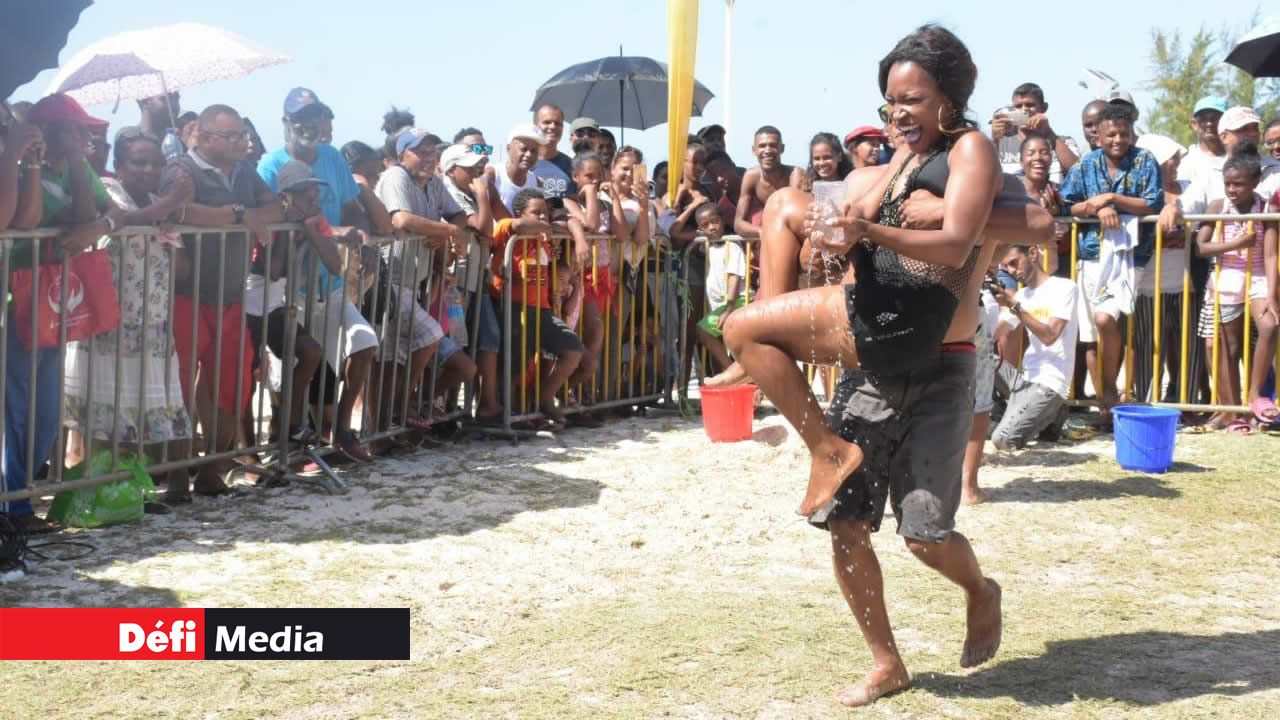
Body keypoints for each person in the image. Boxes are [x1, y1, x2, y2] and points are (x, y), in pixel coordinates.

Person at [724, 26, 1054, 705]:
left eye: (911, 100)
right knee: (844, 523)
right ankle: (886, 661)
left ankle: (980, 589)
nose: (898, 114)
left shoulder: (969, 153)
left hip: (942, 363)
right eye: (889, 103)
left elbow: (1031, 225)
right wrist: (838, 227)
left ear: (949, 96)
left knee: (925, 537)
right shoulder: (897, 164)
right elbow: (836, 207)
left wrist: (944, 217)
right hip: (875, 355)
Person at [63, 129, 195, 505]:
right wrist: (170, 203)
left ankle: (135, 489)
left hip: (153, 323)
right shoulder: (109, 190)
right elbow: (124, 220)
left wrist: (171, 231)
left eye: (155, 163)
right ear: (119, 166)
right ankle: (100, 489)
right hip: (110, 322)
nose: (148, 169)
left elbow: (182, 270)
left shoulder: (158, 203)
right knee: (107, 412)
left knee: (149, 409)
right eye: (139, 162)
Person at [3, 94, 114, 533]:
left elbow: (97, 212)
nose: (85, 136)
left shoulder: (77, 168)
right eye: (74, 129)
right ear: (47, 131)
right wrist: (32, 162)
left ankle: (21, 496)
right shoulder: (18, 166)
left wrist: (98, 224)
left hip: (51, 299)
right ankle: (14, 508)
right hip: (16, 300)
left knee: (46, 410)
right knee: (14, 409)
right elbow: (26, 221)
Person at [161, 104, 284, 494]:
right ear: (205, 137)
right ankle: (177, 477)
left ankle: (212, 470)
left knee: (233, 385)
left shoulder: (245, 170)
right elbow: (179, 211)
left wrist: (238, 213)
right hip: (186, 296)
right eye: (232, 136)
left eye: (243, 135)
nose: (242, 142)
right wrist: (239, 214)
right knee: (180, 390)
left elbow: (274, 207)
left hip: (231, 296)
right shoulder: (180, 169)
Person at [257, 88, 382, 460]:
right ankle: (287, 443)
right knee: (296, 365)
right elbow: (271, 218)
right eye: (301, 117)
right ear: (286, 122)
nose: (309, 124)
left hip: (331, 284)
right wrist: (324, 230)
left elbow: (350, 206)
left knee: (364, 342)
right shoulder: (269, 165)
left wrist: (364, 238)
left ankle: (342, 432)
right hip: (287, 287)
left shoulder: (332, 157)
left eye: (316, 115)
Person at [1060, 103, 1163, 421]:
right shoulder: (1086, 164)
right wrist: (1096, 207)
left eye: (1124, 133)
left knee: (1107, 319)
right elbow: (1068, 204)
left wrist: (1113, 199)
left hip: (1133, 255)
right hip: (1092, 253)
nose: (1118, 139)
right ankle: (1106, 402)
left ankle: (1110, 392)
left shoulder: (1145, 159)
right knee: (1094, 331)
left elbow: (1153, 202)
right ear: (1098, 136)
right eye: (1111, 134)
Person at [373, 128, 459, 431]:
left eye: (432, 152)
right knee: (423, 339)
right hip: (388, 280)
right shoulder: (395, 176)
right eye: (421, 152)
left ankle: (395, 421)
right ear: (402, 155)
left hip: (416, 282)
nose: (429, 158)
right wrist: (447, 231)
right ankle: (398, 411)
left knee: (396, 357)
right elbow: (402, 219)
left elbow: (459, 215)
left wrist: (445, 230)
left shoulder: (434, 182)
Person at [1194, 146, 1278, 433]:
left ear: (1255, 181)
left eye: (1238, 184)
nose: (1231, 190)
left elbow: (1270, 254)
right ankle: (1231, 411)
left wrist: (1273, 295)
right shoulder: (1218, 207)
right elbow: (1201, 247)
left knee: (1269, 327)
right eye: (1228, 183)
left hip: (1258, 277)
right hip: (1227, 279)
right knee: (1227, 347)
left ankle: (1254, 395)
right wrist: (1236, 244)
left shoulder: (1266, 209)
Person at [489, 188, 585, 423]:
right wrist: (547, 226)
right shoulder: (506, 226)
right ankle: (510, 415)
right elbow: (519, 226)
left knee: (572, 350)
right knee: (514, 366)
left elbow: (572, 221)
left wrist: (580, 239)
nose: (543, 216)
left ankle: (544, 398)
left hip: (541, 309)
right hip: (512, 307)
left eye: (545, 212)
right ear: (519, 212)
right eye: (536, 212)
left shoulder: (544, 238)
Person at [990, 244, 1080, 449]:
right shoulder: (1021, 296)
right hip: (1024, 379)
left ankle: (1048, 413)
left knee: (1003, 441)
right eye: (1007, 267)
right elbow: (997, 333)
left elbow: (1050, 336)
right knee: (981, 358)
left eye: (1014, 263)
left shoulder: (1065, 287)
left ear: (1032, 253)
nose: (1012, 271)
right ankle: (1044, 415)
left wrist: (1014, 306)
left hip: (1051, 381)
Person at [1132, 134, 1199, 405]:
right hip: (1149, 285)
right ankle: (1146, 403)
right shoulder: (1140, 194)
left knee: (1189, 348)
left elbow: (1200, 212)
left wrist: (1174, 207)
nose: (1176, 162)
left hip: (1186, 282)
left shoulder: (1189, 188)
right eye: (1170, 158)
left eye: (1176, 157)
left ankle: (1187, 403)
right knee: (1148, 348)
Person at [990, 82, 1079, 183]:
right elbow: (986, 176)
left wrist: (1049, 133)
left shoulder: (1064, 142)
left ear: (1044, 108)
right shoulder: (1002, 144)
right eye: (1018, 106)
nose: (1024, 110)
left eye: (1030, 105)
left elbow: (1080, 173)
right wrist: (994, 140)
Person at [693, 204, 746, 373]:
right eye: (705, 225)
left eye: (715, 221)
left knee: (703, 331)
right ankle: (734, 371)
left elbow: (734, 277)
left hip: (735, 302)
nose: (712, 227)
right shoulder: (708, 246)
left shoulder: (732, 246)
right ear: (701, 230)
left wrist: (729, 307)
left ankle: (732, 371)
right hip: (720, 306)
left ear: (723, 221)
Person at [734, 126, 803, 238]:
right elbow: (738, 223)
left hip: (795, 236)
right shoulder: (751, 176)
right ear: (754, 150)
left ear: (782, 148)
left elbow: (797, 217)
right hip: (770, 235)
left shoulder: (795, 174)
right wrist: (761, 232)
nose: (767, 151)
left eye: (773, 145)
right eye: (762, 146)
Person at [530, 104, 576, 206]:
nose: (553, 126)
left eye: (558, 123)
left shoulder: (572, 165)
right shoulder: (525, 163)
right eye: (547, 122)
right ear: (535, 126)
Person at [1178, 96, 1228, 186]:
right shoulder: (1186, 163)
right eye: (1203, 119)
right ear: (1194, 124)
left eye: (1215, 119)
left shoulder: (1239, 158)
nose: (1209, 124)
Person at [496, 124, 546, 211]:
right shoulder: (493, 175)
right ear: (508, 148)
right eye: (523, 149)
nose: (529, 154)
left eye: (534, 151)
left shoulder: (537, 183)